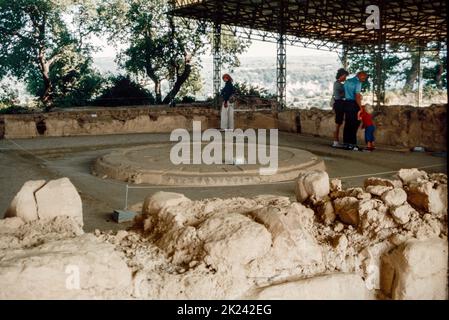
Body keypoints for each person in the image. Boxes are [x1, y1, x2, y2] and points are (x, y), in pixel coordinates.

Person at [342, 71, 369, 151]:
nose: (363, 80)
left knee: (347, 124)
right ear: (358, 75)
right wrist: (360, 107)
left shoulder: (347, 81)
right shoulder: (358, 83)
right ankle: (353, 144)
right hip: (353, 104)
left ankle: (346, 144)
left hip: (346, 103)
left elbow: (344, 93)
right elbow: (357, 96)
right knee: (354, 124)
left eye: (365, 78)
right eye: (363, 78)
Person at [332, 68, 349, 147]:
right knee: (338, 123)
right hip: (339, 103)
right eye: (345, 76)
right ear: (341, 75)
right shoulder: (338, 84)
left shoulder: (337, 83)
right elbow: (346, 91)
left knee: (338, 123)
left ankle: (336, 141)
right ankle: (335, 142)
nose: (345, 78)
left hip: (339, 103)